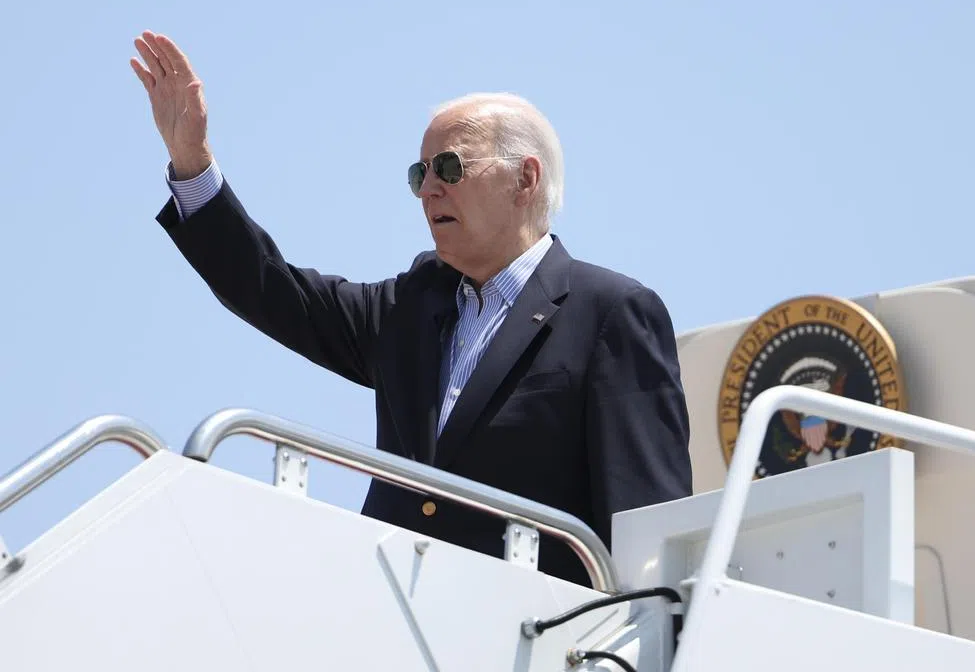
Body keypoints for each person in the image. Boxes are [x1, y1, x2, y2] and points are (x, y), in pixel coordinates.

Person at [129, 31, 693, 587]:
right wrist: (192, 161)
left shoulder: (610, 313)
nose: (428, 190)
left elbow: (645, 526)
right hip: (391, 620)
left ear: (525, 178)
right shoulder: (412, 306)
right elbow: (271, 290)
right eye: (418, 174)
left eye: (449, 168)